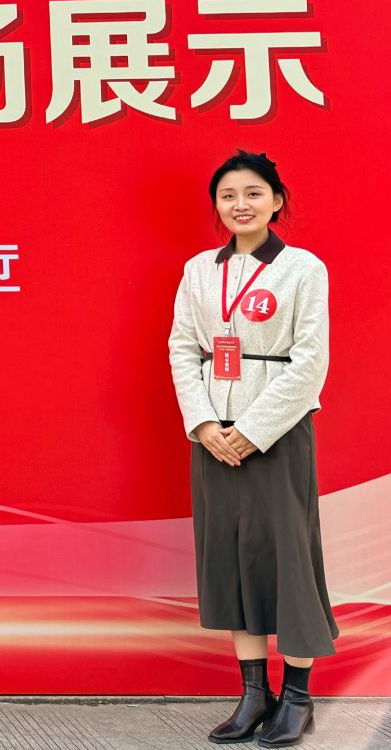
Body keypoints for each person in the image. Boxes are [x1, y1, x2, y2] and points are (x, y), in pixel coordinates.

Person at [167, 150, 337, 746]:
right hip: (213, 438)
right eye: (228, 196)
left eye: (254, 193)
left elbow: (310, 363)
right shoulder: (198, 271)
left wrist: (253, 429)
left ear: (277, 201)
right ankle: (253, 694)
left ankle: (297, 697)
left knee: (288, 560)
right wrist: (204, 424)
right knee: (231, 562)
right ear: (216, 206)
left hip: (278, 435)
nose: (240, 205)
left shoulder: (303, 269)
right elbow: (183, 348)